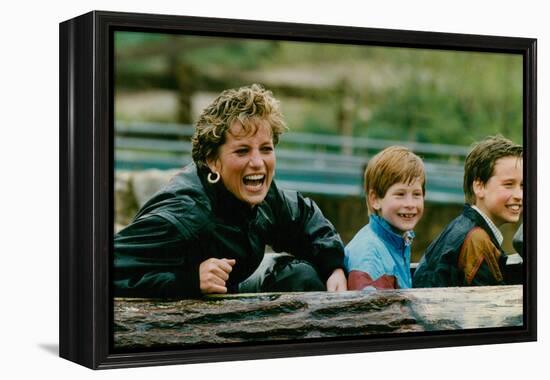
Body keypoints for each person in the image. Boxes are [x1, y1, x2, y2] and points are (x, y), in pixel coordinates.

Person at [114, 84, 347, 298]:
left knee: (302, 277)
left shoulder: (263, 195)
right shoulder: (184, 216)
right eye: (242, 151)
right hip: (181, 317)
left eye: (266, 149)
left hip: (237, 285)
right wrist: (189, 280)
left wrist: (333, 267)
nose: (257, 162)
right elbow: (103, 268)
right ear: (213, 161)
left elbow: (304, 218)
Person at [413, 135, 523, 287]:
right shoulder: (476, 240)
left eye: (523, 186)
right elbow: (489, 306)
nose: (519, 195)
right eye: (508, 184)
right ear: (479, 187)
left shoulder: (463, 226)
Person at [345, 146, 425, 290]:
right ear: (375, 199)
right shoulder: (369, 260)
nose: (410, 204)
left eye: (417, 194)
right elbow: (374, 312)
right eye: (400, 194)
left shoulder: (397, 241)